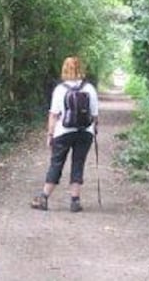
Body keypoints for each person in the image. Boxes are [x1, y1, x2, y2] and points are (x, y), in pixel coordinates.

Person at [31, 55, 99, 213]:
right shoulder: (89, 89)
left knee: (56, 163)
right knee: (78, 164)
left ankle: (44, 198)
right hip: (85, 132)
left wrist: (50, 135)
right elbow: (94, 114)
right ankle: (75, 201)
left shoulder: (60, 89)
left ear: (65, 69)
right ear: (81, 69)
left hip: (63, 132)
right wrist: (94, 129)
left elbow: (53, 114)